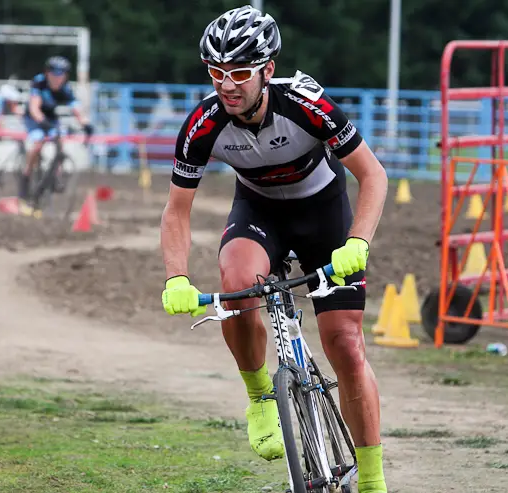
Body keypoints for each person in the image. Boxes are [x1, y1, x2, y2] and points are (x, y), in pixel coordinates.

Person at [159, 6, 389, 492]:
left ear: (267, 70)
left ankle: (371, 481)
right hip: (259, 214)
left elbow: (373, 176)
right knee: (238, 288)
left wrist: (358, 243)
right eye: (216, 72)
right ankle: (262, 395)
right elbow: (177, 209)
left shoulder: (307, 105)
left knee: (345, 346)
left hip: (324, 215)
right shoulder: (203, 124)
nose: (227, 85)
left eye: (239, 72)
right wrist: (175, 276)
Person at [21, 56, 93, 213]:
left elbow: (77, 110)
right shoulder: (39, 83)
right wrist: (41, 122)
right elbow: (34, 108)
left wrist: (86, 124)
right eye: (54, 74)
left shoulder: (66, 89)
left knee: (59, 141)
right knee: (39, 142)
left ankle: (56, 174)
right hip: (34, 117)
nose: (57, 78)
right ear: (47, 73)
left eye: (61, 75)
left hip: (51, 117)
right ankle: (26, 174)